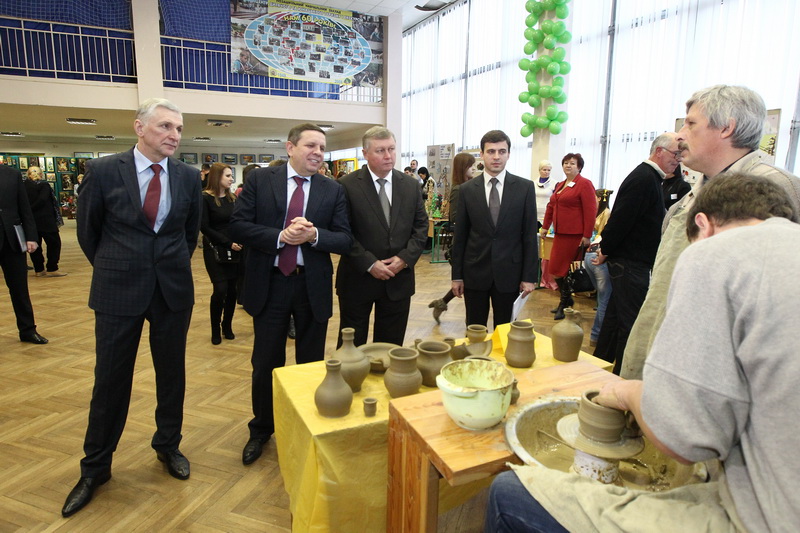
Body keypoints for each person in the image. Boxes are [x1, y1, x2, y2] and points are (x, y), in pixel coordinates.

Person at [484, 173, 799, 533]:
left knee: (509, 492)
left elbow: (683, 437)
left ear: (702, 225)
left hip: (766, 522)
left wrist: (627, 393)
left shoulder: (717, 252)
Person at [63, 98, 202, 517]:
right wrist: (118, 265)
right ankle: (95, 468)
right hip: (118, 289)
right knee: (110, 380)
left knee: (171, 374)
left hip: (172, 290)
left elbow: (189, 233)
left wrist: (165, 265)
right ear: (139, 128)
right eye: (165, 126)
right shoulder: (104, 170)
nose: (174, 135)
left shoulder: (188, 176)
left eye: (179, 128)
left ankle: (168, 445)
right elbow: (88, 233)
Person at [622, 85, 800, 380]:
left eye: (691, 124)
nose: (680, 135)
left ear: (727, 128)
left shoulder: (776, 188)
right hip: (666, 351)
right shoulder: (688, 199)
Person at [229, 123, 351, 466]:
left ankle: (305, 424)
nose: (318, 152)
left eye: (322, 147)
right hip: (270, 284)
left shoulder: (332, 189)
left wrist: (314, 236)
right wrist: (280, 236)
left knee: (310, 364)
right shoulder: (260, 180)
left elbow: (345, 239)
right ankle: (261, 429)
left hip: (311, 285)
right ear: (290, 147)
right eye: (311, 145)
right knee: (265, 363)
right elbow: (238, 226)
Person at [591, 133, 678, 374]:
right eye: (675, 154)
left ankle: (597, 369)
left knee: (614, 321)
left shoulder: (650, 178)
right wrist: (605, 249)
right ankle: (623, 376)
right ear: (659, 151)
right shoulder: (643, 178)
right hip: (629, 264)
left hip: (630, 262)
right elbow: (621, 219)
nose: (678, 159)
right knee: (630, 324)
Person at [336, 126, 428, 347]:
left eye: (392, 149)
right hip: (358, 278)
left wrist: (404, 258)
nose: (388, 156)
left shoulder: (410, 185)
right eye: (380, 150)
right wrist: (369, 263)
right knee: (351, 348)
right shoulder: (346, 185)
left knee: (390, 348)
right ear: (365, 153)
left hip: (398, 279)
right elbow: (342, 231)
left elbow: (421, 227)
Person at [450, 130, 538, 328]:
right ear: (481, 154)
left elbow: (529, 236)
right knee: (475, 330)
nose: (496, 157)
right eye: (491, 151)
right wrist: (457, 276)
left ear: (509, 154)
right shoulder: (466, 190)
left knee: (505, 331)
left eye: (501, 151)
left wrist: (529, 277)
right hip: (475, 272)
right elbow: (460, 237)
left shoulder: (524, 188)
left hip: (510, 273)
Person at [539, 153, 596, 320]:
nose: (568, 166)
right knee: (555, 269)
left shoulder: (584, 184)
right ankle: (566, 300)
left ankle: (564, 303)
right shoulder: (560, 185)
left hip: (574, 236)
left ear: (579, 167)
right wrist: (545, 226)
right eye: (565, 163)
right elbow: (551, 206)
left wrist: (587, 235)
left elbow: (591, 211)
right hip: (559, 234)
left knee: (565, 270)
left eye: (572, 163)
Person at [0, 165, 48, 344]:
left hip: (11, 240)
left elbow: (24, 207)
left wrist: (31, 236)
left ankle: (27, 330)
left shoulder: (11, 174)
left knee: (20, 289)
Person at [427, 151, 476, 323]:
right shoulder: (458, 189)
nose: (474, 169)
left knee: (470, 282)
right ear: (463, 167)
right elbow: (455, 218)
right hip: (463, 245)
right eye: (470, 165)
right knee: (469, 283)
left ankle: (442, 303)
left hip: (472, 244)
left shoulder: (471, 186)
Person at [201, 162, 242, 345]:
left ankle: (227, 325)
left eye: (231, 176)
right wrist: (228, 242)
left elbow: (239, 221)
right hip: (215, 249)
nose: (231, 179)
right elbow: (204, 227)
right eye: (228, 176)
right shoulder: (205, 198)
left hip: (235, 249)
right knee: (220, 290)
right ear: (217, 177)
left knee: (232, 291)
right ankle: (215, 328)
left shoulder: (232, 198)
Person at [24, 165, 67, 277]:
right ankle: (52, 268)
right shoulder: (44, 185)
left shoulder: (24, 186)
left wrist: (28, 211)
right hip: (46, 220)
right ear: (41, 174)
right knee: (54, 243)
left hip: (31, 221)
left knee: (35, 245)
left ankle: (39, 269)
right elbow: (42, 199)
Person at [583, 188, 613, 346]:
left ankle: (596, 336)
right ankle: (598, 337)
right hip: (596, 256)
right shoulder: (599, 212)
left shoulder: (605, 213)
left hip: (591, 254)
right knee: (604, 300)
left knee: (602, 299)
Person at [533, 159, 555, 229]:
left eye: (549, 170)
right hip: (535, 215)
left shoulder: (555, 184)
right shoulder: (533, 183)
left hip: (547, 216)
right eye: (544, 170)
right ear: (539, 170)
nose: (546, 172)